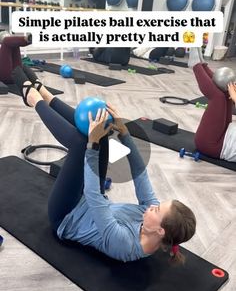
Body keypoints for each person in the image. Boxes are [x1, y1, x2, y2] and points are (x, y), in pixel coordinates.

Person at [12, 65, 196, 264]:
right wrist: (124, 133)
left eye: (157, 210)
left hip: (66, 215)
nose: (153, 207)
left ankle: (34, 100)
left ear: (160, 230)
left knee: (82, 144)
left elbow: (92, 195)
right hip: (91, 201)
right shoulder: (152, 220)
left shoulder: (125, 244)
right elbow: (140, 173)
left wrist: (92, 144)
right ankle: (46, 95)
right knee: (104, 133)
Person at [188, 48, 236, 162]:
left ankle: (196, 66)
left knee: (218, 98)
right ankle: (203, 65)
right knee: (225, 93)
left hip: (214, 145)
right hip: (227, 135)